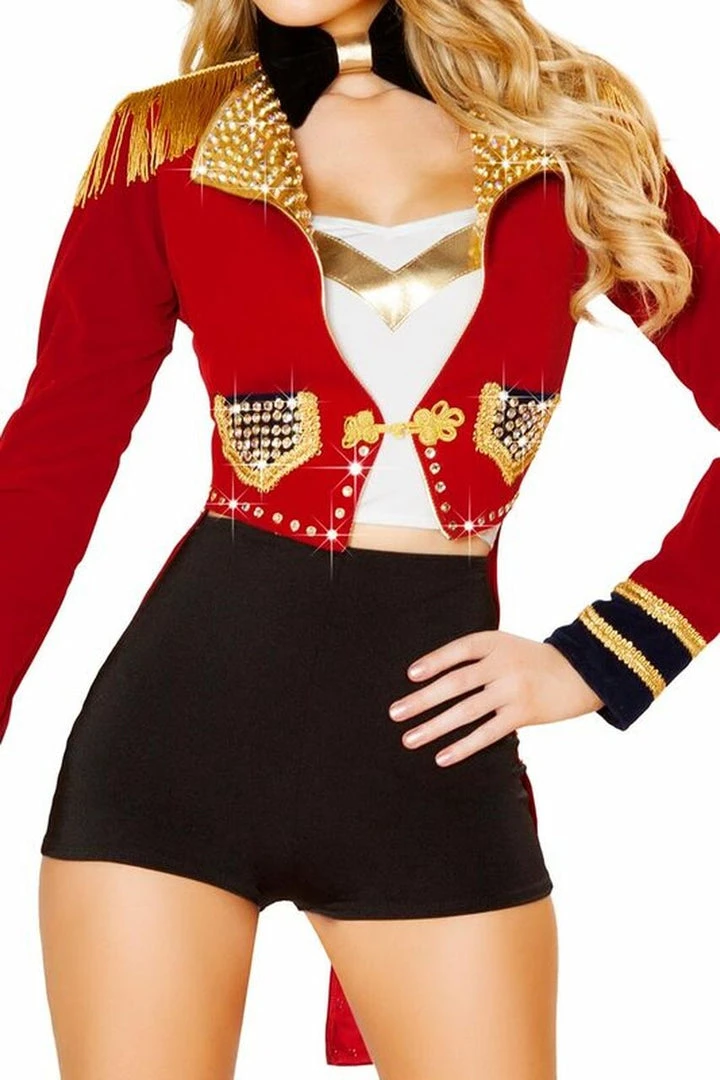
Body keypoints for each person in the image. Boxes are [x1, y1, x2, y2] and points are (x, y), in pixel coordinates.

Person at [0, 0, 717, 1076]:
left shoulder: (573, 127)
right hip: (167, 751)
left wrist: (607, 656)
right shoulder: (165, 141)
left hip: (434, 764)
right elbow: (52, 461)